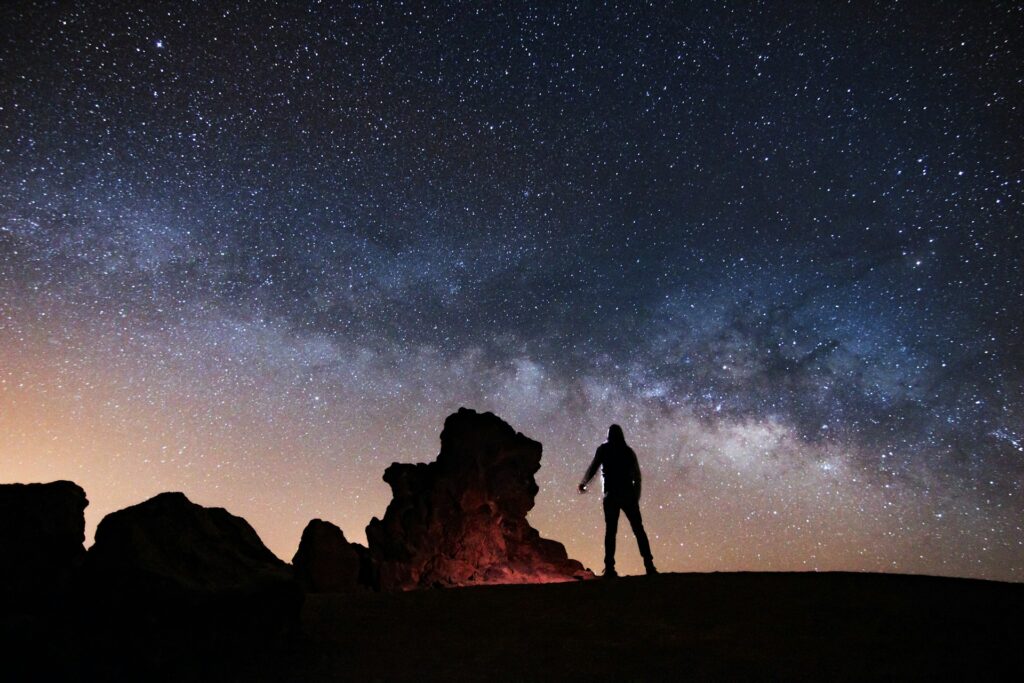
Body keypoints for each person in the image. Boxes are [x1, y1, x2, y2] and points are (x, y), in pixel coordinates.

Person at [578, 424, 657, 577]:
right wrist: (636, 497)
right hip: (627, 495)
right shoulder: (628, 451)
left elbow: (594, 467)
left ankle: (609, 568)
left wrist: (584, 482)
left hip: (611, 495)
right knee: (638, 530)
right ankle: (649, 565)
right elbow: (637, 477)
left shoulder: (604, 449)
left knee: (611, 532)